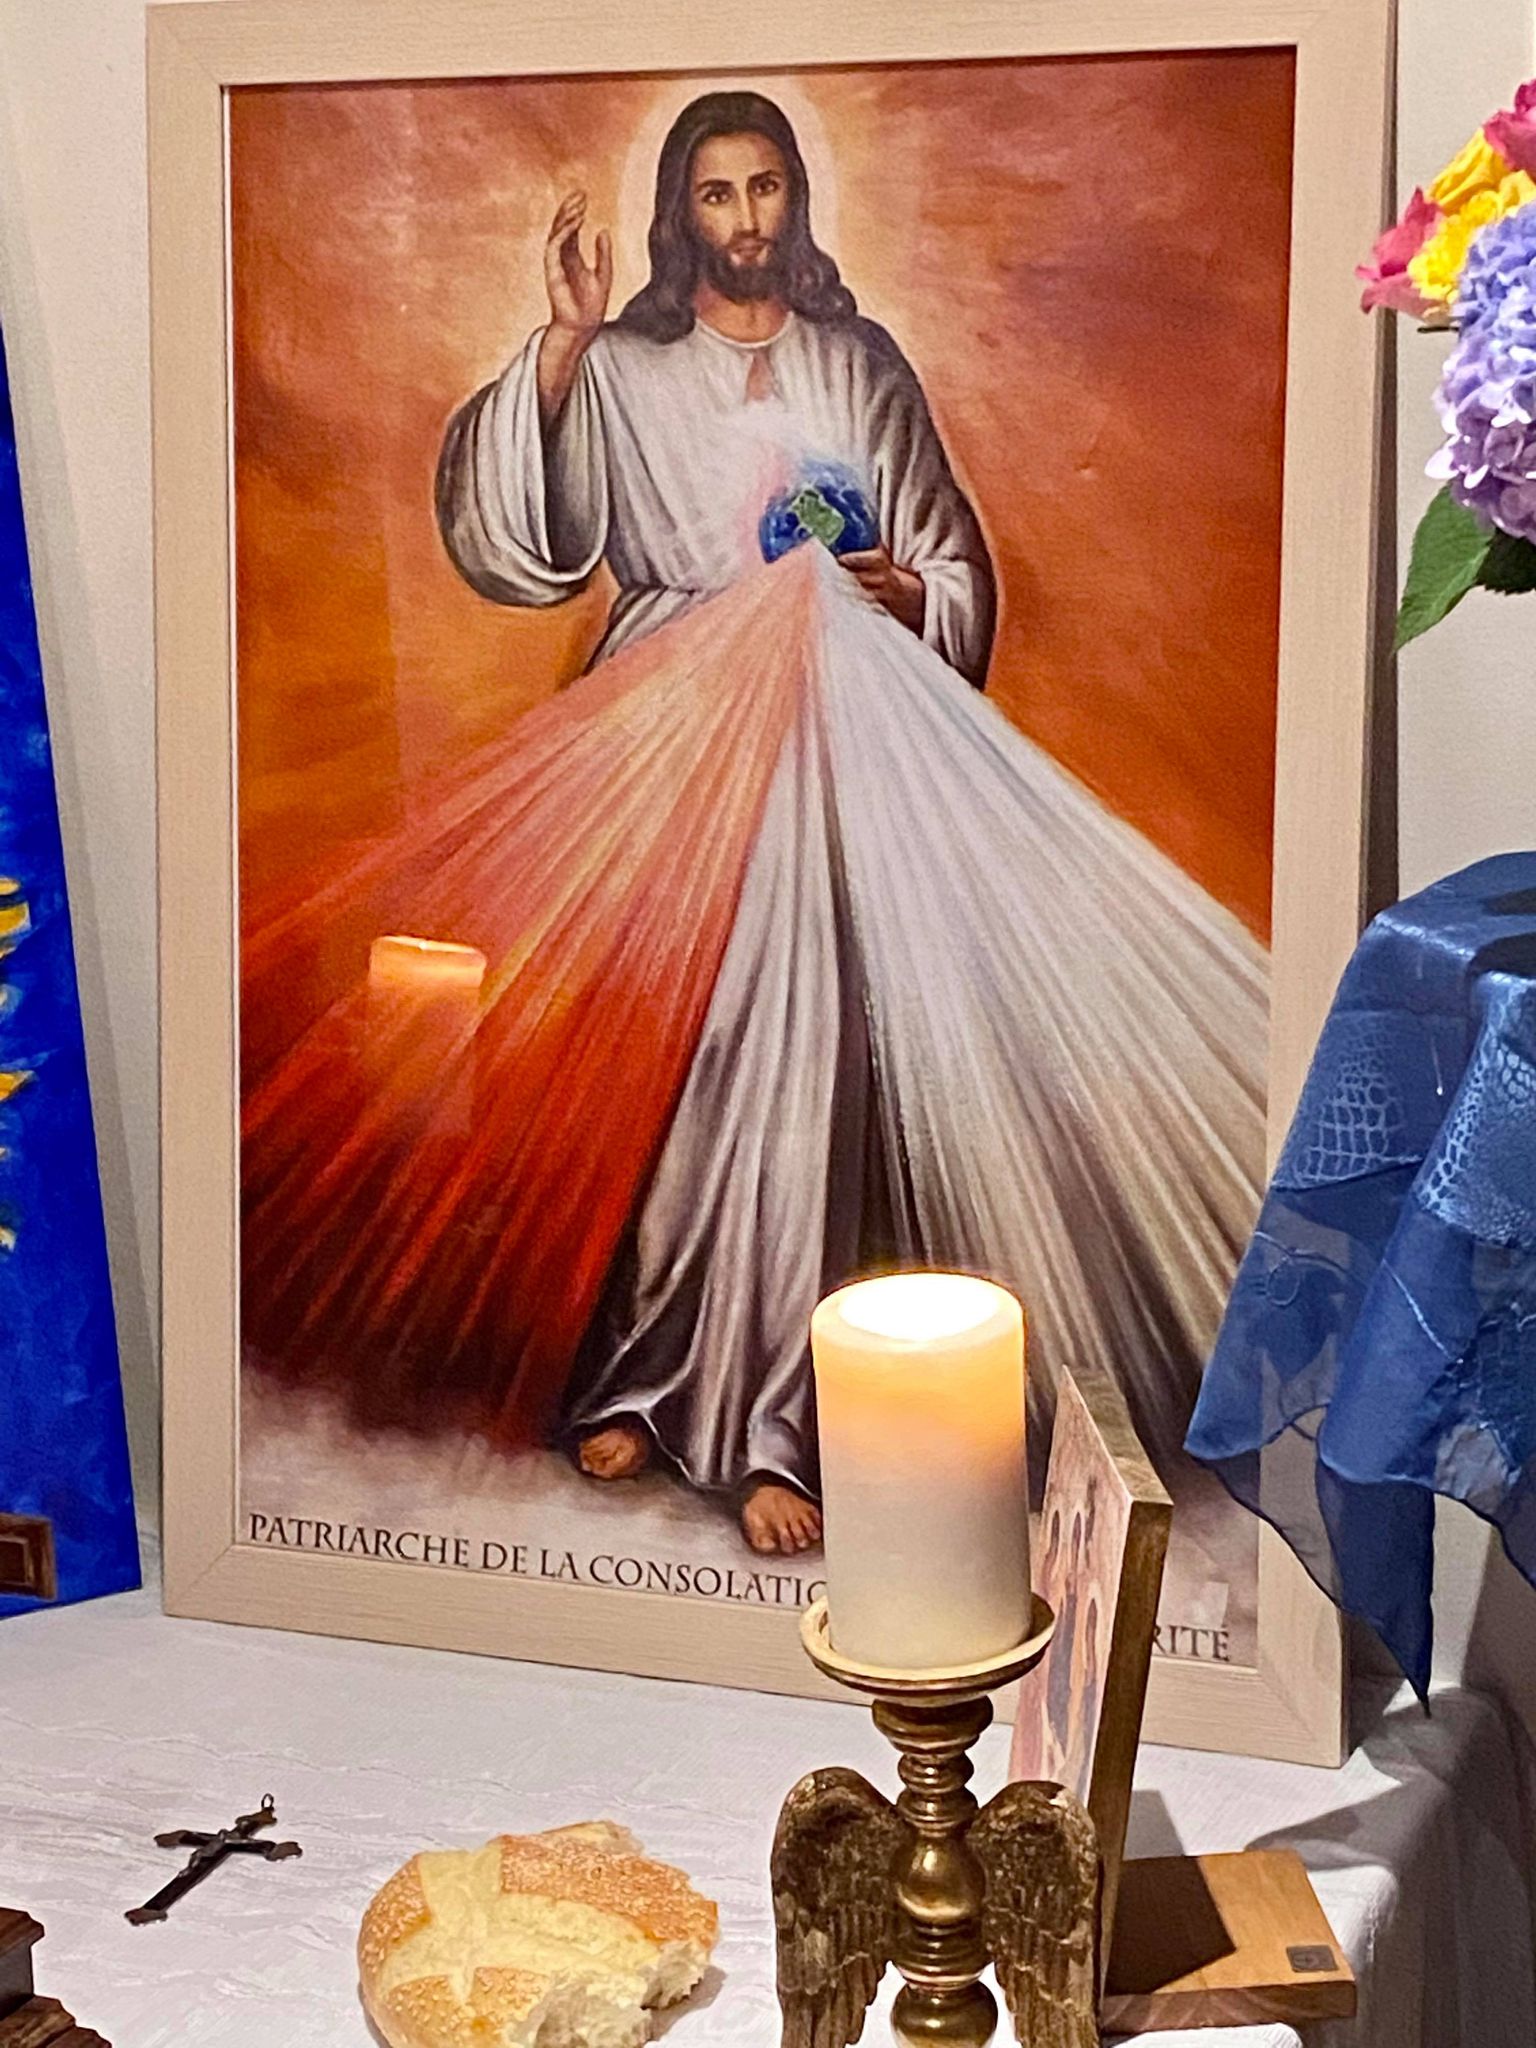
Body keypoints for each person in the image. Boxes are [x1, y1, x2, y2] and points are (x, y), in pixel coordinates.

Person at [436, 92, 998, 1554]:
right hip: (660, 730)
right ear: (678, 214)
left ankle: (776, 1431)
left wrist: (906, 593)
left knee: (801, 1060)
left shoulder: (860, 364)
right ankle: (640, 1374)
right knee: (662, 1047)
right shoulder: (622, 367)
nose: (744, 219)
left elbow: (948, 558)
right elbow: (528, 548)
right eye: (714, 193)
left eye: (764, 189)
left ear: (795, 199)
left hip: (823, 729)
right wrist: (563, 347)